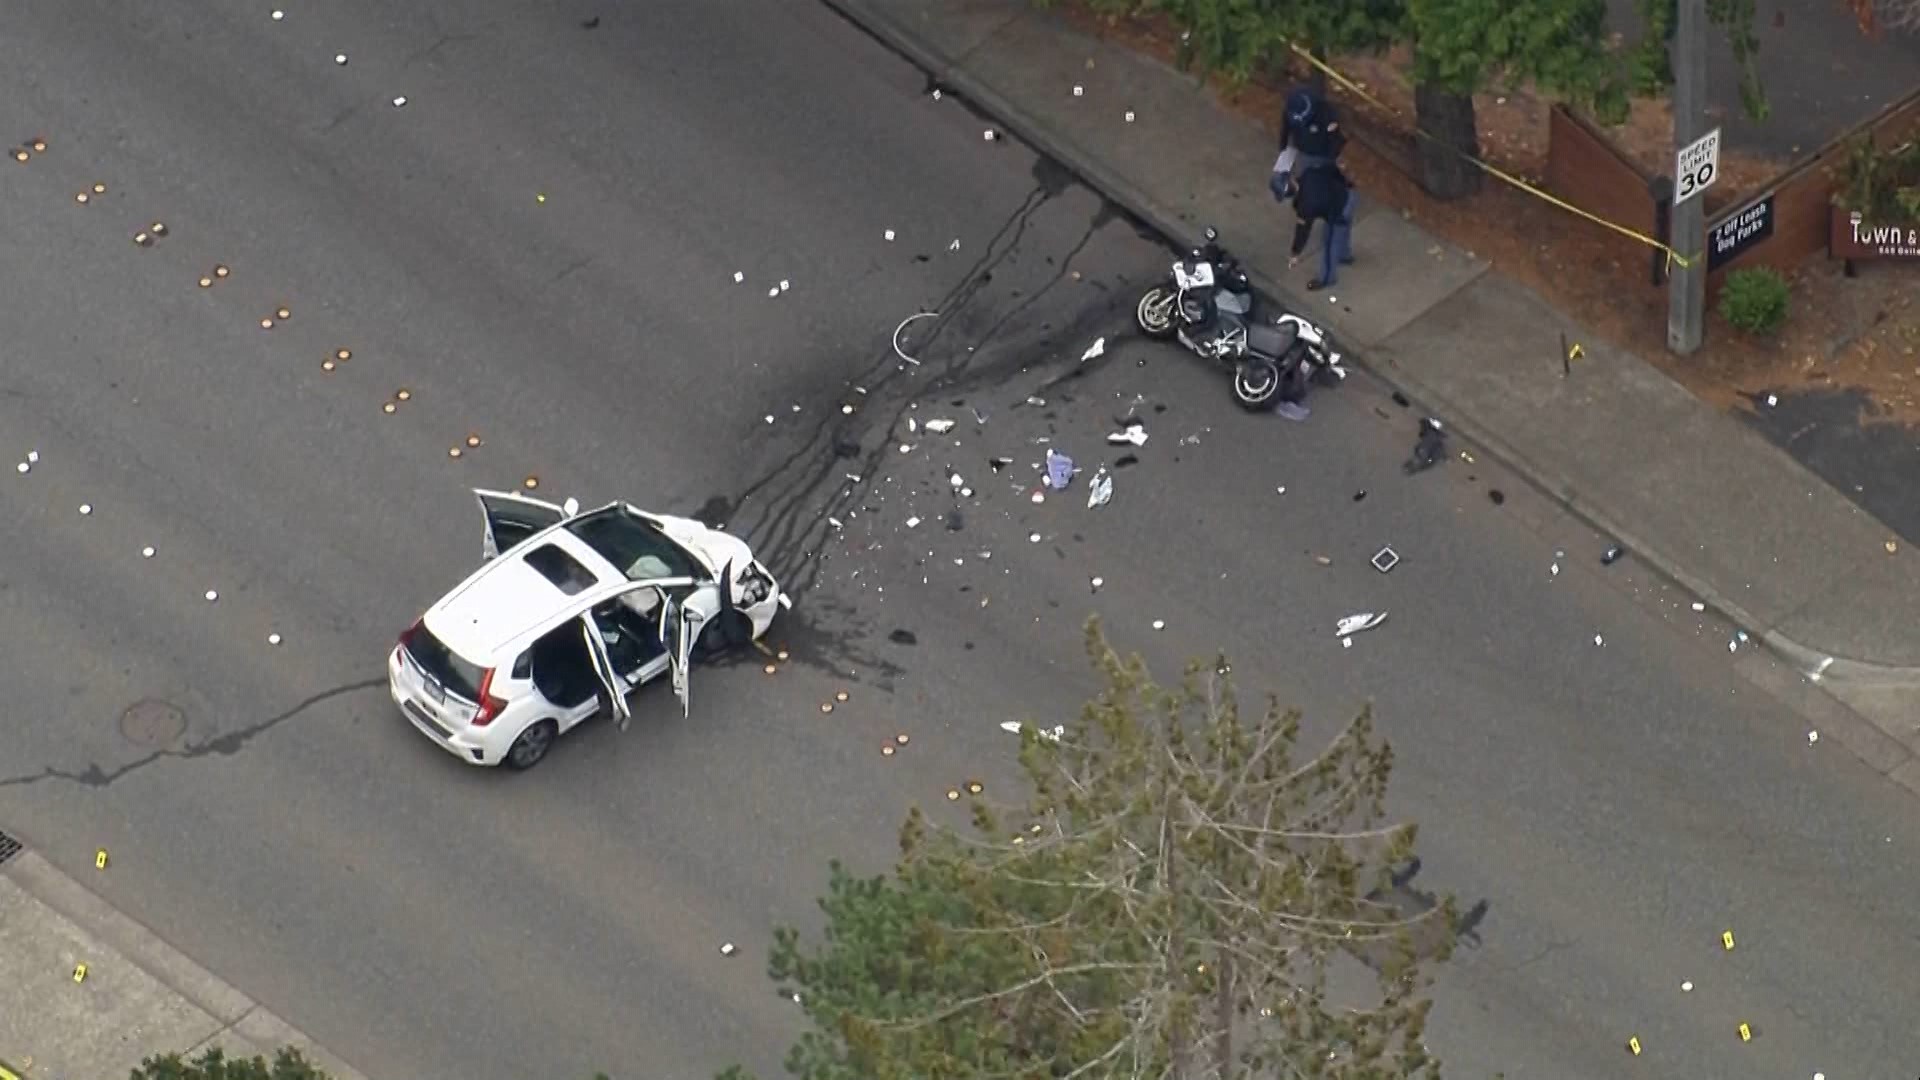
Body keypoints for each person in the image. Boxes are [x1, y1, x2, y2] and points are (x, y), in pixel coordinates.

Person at [1286, 162, 1356, 291]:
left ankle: (1327, 279)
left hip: (1338, 210)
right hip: (1347, 195)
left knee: (1330, 244)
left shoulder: (1305, 206)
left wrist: (1295, 253)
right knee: (1343, 232)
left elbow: (1303, 231)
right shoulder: (1309, 174)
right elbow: (1331, 169)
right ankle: (1345, 256)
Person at [1269, 87, 1347, 201]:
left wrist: (1333, 156)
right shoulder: (1292, 106)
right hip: (1304, 147)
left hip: (1321, 150)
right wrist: (1283, 144)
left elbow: (1333, 136)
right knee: (1308, 174)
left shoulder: (1323, 111)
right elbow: (1286, 126)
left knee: (1319, 175)